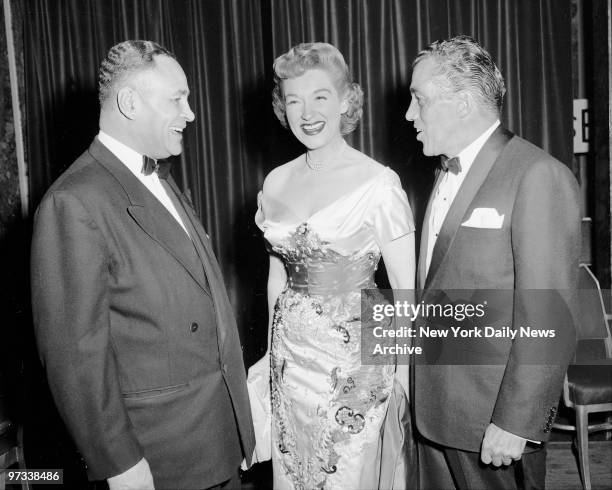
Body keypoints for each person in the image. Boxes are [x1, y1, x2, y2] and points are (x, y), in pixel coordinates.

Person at [31, 40, 255, 490]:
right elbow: (76, 358)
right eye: (177, 99)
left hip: (213, 439)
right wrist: (119, 464)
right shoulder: (74, 201)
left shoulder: (160, 178)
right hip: (159, 458)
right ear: (129, 102)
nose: (190, 113)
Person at [406, 35, 580, 489]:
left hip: (490, 424)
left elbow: (550, 314)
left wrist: (517, 422)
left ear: (463, 103)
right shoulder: (442, 173)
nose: (409, 115)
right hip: (432, 414)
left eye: (419, 100)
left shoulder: (538, 174)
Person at [250, 42, 416, 489]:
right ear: (282, 108)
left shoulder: (380, 184)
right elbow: (276, 279)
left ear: (346, 100)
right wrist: (269, 354)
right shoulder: (275, 181)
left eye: (320, 96)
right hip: (290, 360)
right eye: (294, 100)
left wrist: (403, 373)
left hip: (358, 361)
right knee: (294, 470)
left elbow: (404, 287)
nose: (307, 112)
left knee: (345, 472)